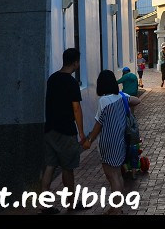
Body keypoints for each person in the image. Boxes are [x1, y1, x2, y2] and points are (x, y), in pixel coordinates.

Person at [82, 69, 142, 214]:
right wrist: (125, 98)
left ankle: (116, 209)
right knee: (118, 175)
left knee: (112, 176)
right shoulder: (121, 97)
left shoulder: (103, 100)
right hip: (121, 141)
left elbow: (98, 124)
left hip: (108, 142)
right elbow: (137, 100)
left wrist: (89, 139)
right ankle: (117, 207)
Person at [38, 48, 85, 213]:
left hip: (50, 128)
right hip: (66, 130)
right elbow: (76, 108)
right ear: (75, 62)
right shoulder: (71, 82)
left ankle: (43, 203)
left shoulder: (52, 79)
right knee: (67, 167)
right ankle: (71, 202)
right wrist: (81, 132)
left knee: (50, 166)